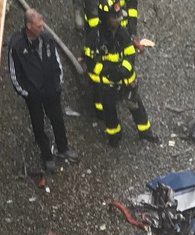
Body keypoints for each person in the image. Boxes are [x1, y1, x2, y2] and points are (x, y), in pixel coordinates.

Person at [8, 9, 80, 174]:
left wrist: (58, 83)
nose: (42, 29)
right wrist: (26, 93)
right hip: (33, 97)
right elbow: (14, 74)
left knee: (58, 121)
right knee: (38, 126)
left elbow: (57, 62)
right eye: (39, 26)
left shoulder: (47, 39)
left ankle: (63, 149)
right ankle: (47, 156)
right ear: (29, 26)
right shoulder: (16, 46)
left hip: (52, 91)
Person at [89, 0, 159, 145]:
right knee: (109, 111)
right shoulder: (95, 36)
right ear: (105, 18)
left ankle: (145, 132)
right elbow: (91, 62)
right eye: (114, 17)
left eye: (119, 16)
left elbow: (129, 52)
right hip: (106, 83)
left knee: (135, 105)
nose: (118, 20)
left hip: (125, 79)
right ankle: (115, 135)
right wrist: (108, 72)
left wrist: (124, 70)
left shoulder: (122, 32)